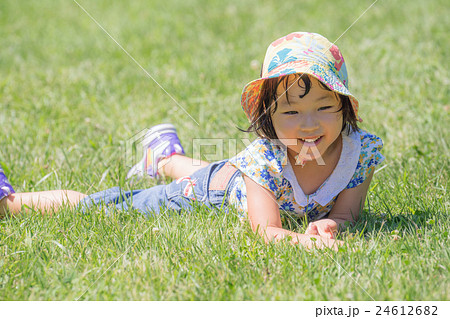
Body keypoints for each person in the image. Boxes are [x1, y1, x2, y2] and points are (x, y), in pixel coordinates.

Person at [0, 32, 384, 250]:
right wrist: (307, 244)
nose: (309, 125)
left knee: (217, 171)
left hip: (231, 179)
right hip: (217, 191)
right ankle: (11, 202)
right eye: (290, 113)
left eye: (324, 107)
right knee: (111, 205)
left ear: (344, 105)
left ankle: (164, 156)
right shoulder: (261, 161)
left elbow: (347, 214)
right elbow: (264, 230)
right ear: (267, 118)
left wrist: (331, 226)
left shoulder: (358, 153)